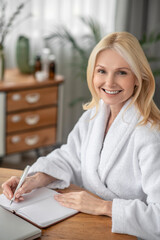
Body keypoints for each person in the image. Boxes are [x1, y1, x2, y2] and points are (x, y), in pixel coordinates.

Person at [2, 32, 160, 240]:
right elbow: (70, 157)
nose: (109, 82)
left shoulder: (150, 135)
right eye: (102, 71)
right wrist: (35, 178)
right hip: (89, 223)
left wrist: (103, 206)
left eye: (122, 72)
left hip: (128, 233)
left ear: (138, 78)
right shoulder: (93, 116)